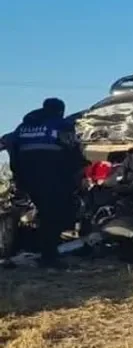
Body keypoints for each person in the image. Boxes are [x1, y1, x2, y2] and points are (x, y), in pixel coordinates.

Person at [5, 98, 87, 268]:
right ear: (60, 110)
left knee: (44, 213)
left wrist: (18, 175)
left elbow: (9, 144)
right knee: (54, 215)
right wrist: (80, 169)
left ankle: (45, 252)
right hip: (52, 176)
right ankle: (49, 257)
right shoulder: (61, 125)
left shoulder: (23, 127)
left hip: (28, 178)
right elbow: (72, 148)